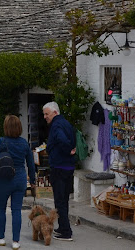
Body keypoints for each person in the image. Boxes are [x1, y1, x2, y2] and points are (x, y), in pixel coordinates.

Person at [0, 115, 36, 249]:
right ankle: (16, 241)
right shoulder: (24, 143)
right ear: (19, 127)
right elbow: (31, 164)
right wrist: (33, 180)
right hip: (20, 179)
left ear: (6, 127)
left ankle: (1, 238)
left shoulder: (2, 141)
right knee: (16, 210)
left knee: (1, 209)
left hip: (4, 180)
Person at [43, 101, 76, 241]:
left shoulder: (56, 125)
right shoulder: (66, 123)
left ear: (55, 112)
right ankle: (62, 227)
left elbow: (62, 140)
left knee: (60, 200)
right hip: (68, 167)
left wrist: (67, 149)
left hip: (59, 167)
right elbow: (73, 139)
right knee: (64, 199)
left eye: (46, 113)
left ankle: (66, 232)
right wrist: (71, 149)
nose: (45, 117)